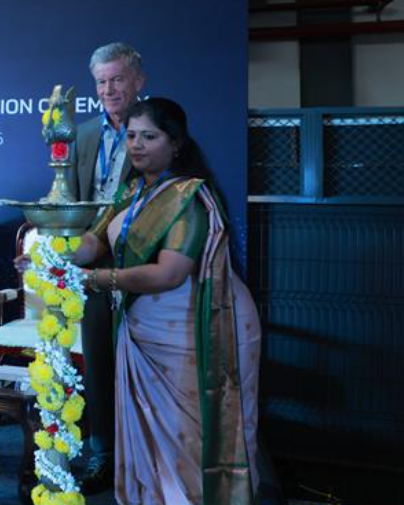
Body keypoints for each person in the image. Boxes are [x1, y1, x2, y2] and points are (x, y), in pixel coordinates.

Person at [73, 97, 261, 505]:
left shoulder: (188, 196)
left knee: (186, 433)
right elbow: (93, 240)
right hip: (145, 327)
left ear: (175, 143)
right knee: (151, 432)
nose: (136, 145)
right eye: (131, 136)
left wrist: (96, 279)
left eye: (149, 136)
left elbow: (169, 274)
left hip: (192, 330)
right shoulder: (131, 190)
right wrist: (51, 256)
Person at [67, 41, 146, 494]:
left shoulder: (155, 129)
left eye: (117, 79)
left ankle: (145, 454)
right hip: (91, 266)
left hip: (145, 269)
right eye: (101, 81)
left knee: (143, 365)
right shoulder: (81, 135)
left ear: (138, 81)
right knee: (97, 362)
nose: (109, 89)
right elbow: (68, 199)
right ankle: (102, 453)